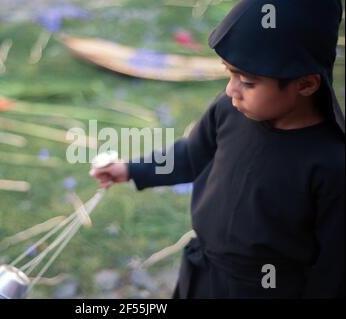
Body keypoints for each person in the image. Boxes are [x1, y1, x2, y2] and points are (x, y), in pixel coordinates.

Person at [90, 0, 345, 298]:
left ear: (305, 84)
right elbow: (190, 155)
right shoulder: (228, 111)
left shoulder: (332, 164)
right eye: (230, 74)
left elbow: (333, 270)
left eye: (247, 82)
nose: (230, 90)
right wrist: (131, 169)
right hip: (201, 274)